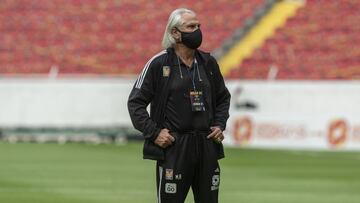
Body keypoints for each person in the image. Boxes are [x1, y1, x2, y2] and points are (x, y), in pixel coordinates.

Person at [128, 8, 231, 203]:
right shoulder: (158, 64)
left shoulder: (208, 63)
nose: (197, 31)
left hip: (206, 144)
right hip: (174, 147)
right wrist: (154, 133)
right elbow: (135, 103)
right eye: (191, 27)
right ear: (174, 33)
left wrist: (219, 124)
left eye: (199, 26)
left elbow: (223, 97)